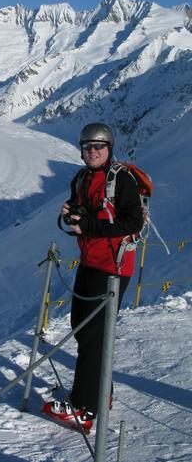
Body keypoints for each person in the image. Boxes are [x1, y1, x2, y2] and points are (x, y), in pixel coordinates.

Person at [42, 122, 144, 431]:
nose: (93, 152)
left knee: (94, 334)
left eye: (98, 147)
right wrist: (71, 213)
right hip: (90, 262)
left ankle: (84, 408)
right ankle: (101, 393)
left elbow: (132, 222)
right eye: (88, 147)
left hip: (113, 268)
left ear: (109, 149)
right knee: (81, 328)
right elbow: (84, 210)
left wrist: (88, 226)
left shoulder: (121, 180)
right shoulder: (82, 178)